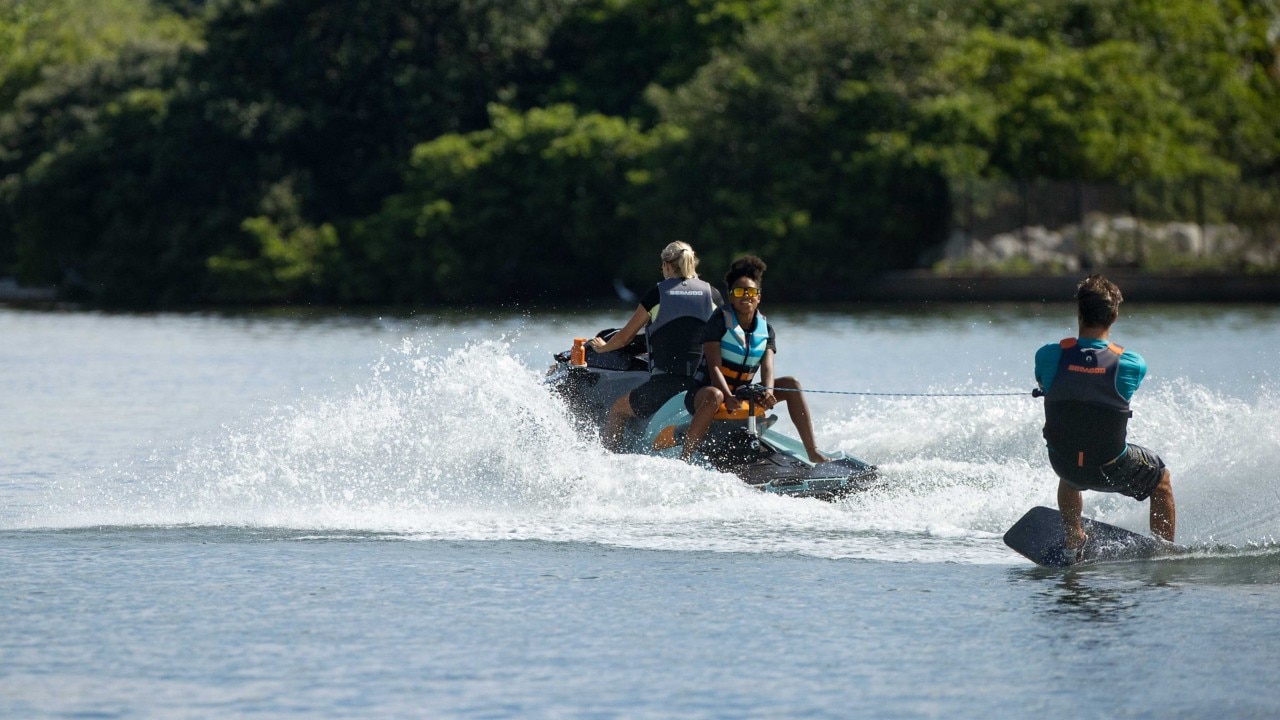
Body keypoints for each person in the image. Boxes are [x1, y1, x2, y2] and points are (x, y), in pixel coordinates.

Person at [1035, 274, 1176, 561]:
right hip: (1112, 465)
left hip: (1063, 464)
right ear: (1114, 316)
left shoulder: (1048, 355)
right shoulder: (1131, 363)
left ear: (1079, 312)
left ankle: (1074, 537)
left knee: (1072, 450)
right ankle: (1163, 553)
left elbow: (1046, 382)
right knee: (1161, 480)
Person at [680, 255, 829, 464]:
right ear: (731, 297)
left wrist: (767, 392)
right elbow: (714, 367)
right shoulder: (718, 322)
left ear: (759, 297)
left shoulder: (766, 329)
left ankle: (812, 451)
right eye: (740, 292)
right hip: (705, 394)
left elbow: (768, 367)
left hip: (742, 393)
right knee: (714, 395)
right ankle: (684, 458)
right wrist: (726, 394)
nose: (746, 296)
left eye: (751, 292)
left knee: (791, 384)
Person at [588, 241, 723, 451]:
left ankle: (608, 461)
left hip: (666, 385)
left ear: (668, 265)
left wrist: (602, 347)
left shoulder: (657, 294)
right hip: (700, 386)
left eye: (662, 266)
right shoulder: (713, 295)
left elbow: (624, 337)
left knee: (618, 410)